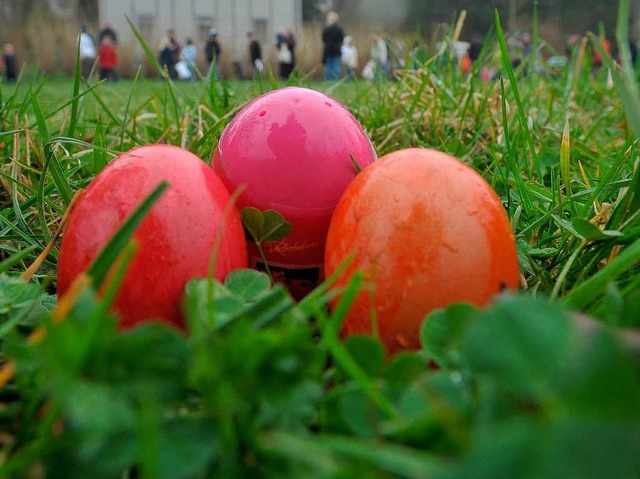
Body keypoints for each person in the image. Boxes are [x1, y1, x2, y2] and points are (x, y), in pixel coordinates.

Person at [321, 11, 344, 80]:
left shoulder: (326, 29)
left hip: (328, 49)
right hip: (336, 49)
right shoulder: (339, 29)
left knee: (328, 66)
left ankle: (327, 79)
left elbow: (323, 38)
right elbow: (341, 38)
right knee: (336, 65)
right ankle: (336, 79)